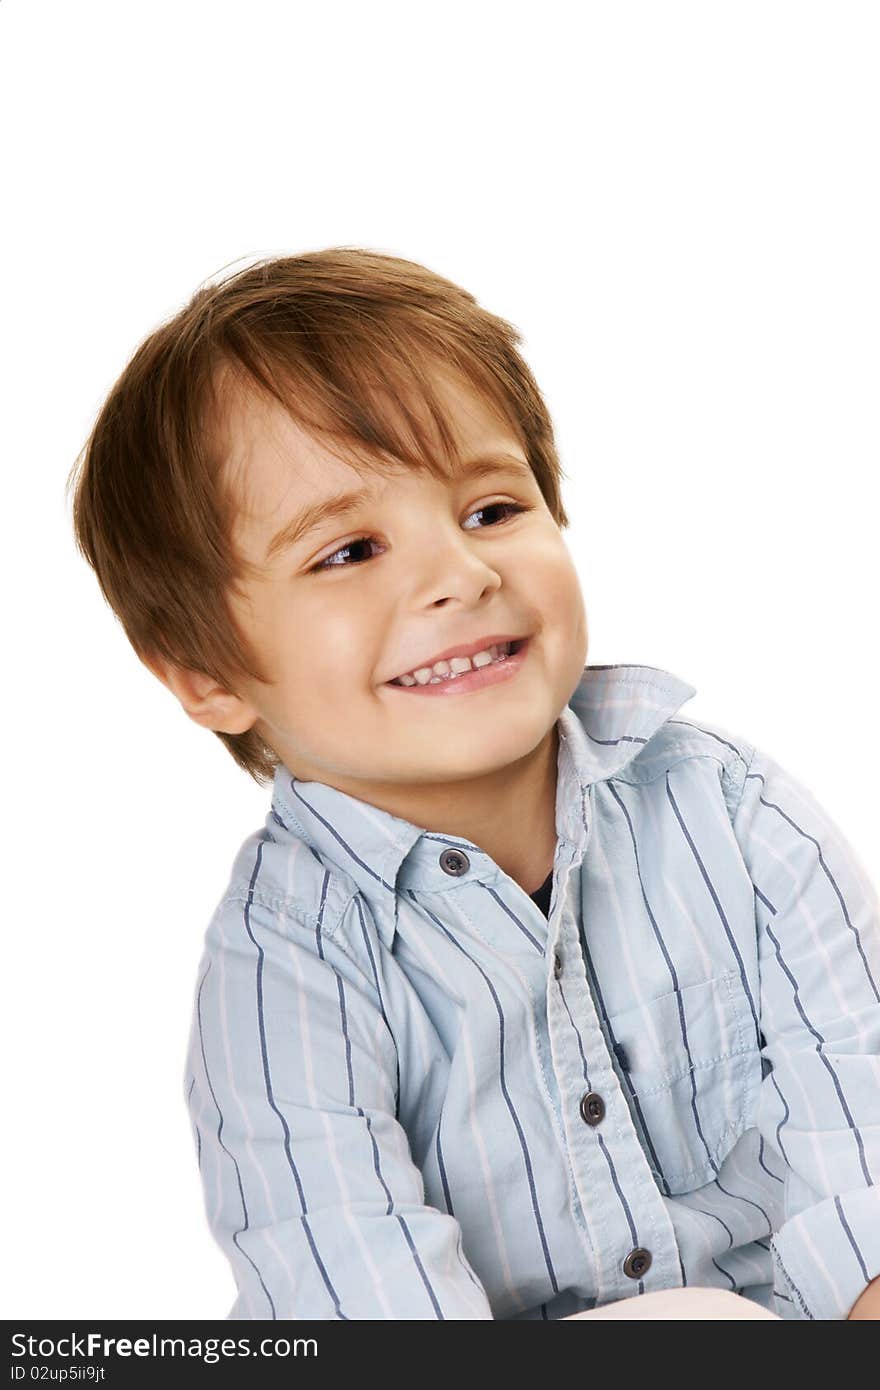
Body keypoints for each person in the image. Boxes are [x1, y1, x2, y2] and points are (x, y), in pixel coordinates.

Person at [67, 248, 880, 1320]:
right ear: (206, 674)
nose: (460, 573)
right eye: (350, 550)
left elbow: (858, 1129)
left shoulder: (733, 815)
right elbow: (351, 1276)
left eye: (492, 508)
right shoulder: (284, 966)